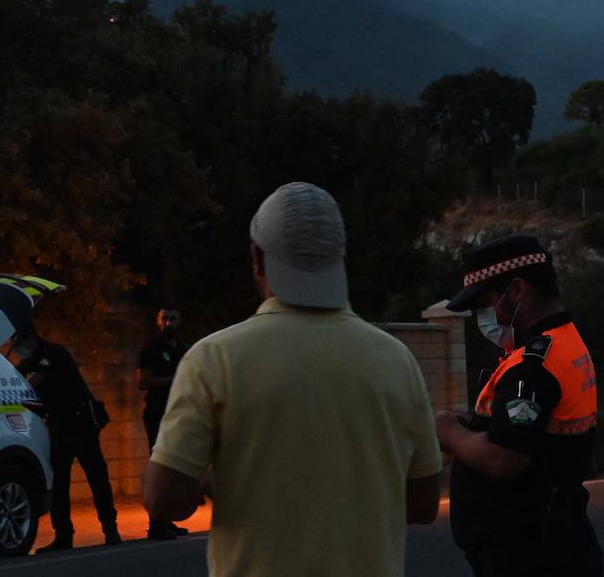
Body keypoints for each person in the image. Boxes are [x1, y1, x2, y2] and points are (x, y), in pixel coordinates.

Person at [143, 182, 443, 577]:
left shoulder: (213, 359)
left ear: (257, 258)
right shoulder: (396, 361)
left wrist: (214, 479)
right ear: (339, 257)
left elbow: (164, 500)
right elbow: (422, 504)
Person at [435, 234, 603, 577]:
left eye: (486, 302)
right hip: (556, 537)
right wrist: (475, 424)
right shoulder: (565, 341)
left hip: (530, 552)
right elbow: (536, 430)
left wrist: (450, 432)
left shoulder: (533, 366)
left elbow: (503, 459)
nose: (483, 316)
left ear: (517, 291)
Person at [12, 321, 121, 553]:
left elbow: (34, 380)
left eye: (20, 344)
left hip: (79, 423)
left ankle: (110, 529)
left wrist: (14, 386)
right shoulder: (29, 361)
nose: (20, 350)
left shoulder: (54, 353)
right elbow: (20, 375)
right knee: (59, 484)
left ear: (31, 339)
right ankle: (63, 536)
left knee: (96, 477)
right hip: (59, 425)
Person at [137, 304, 191, 540]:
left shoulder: (182, 349)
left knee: (174, 467)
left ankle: (167, 520)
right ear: (157, 321)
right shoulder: (152, 348)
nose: (169, 323)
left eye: (173, 318)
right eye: (165, 318)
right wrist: (173, 380)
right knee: (160, 463)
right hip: (158, 412)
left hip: (178, 413)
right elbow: (143, 381)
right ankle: (156, 524)